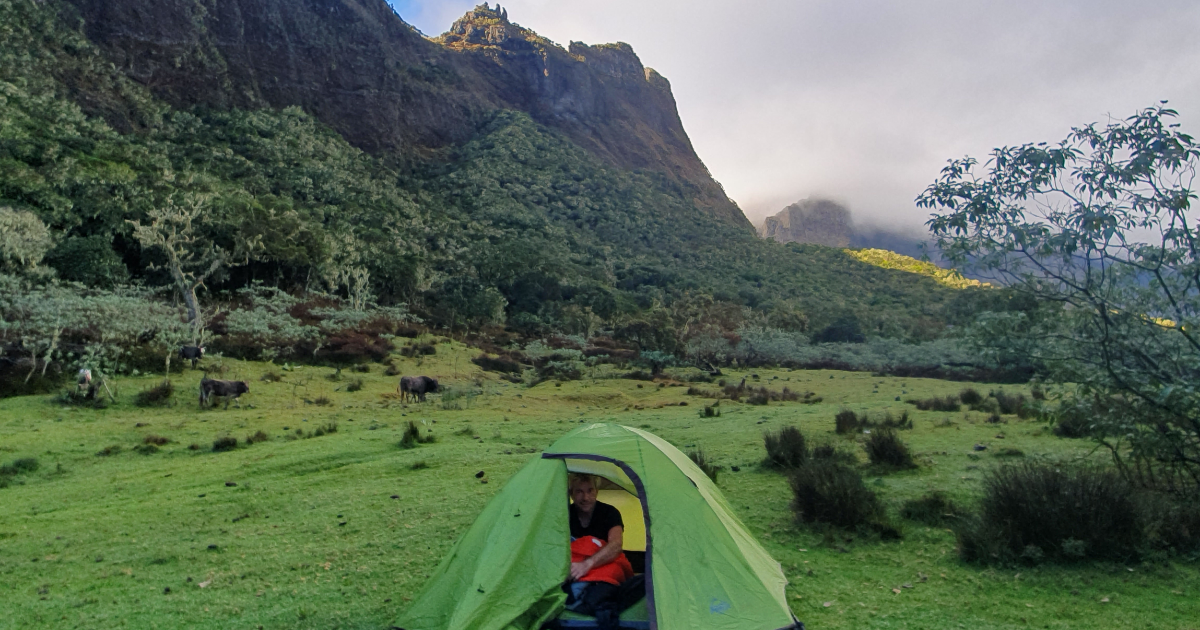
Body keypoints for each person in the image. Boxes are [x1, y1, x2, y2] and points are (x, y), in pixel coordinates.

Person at [565, 474, 644, 630]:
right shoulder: (564, 514)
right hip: (574, 568)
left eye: (590, 491)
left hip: (602, 567)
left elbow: (615, 545)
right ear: (571, 494)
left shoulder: (609, 512)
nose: (585, 497)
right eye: (579, 491)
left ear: (597, 492)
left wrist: (587, 564)